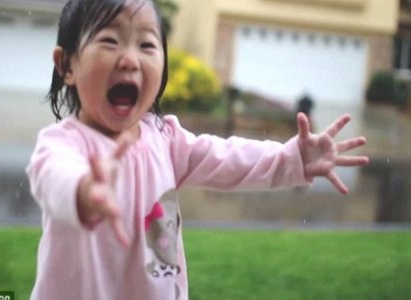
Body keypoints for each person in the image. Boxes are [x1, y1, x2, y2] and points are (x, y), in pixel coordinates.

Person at [26, 0, 369, 299]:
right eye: (110, 41)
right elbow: (53, 174)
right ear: (67, 65)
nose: (130, 59)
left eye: (146, 45)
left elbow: (229, 158)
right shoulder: (64, 144)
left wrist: (290, 158)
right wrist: (84, 190)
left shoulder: (166, 139)